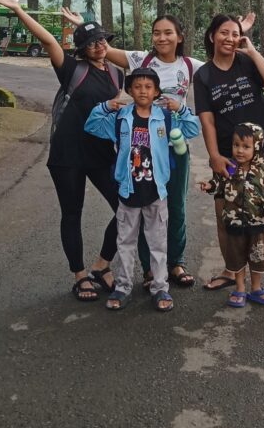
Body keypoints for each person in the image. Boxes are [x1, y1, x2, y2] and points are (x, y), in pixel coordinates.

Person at [60, 8, 254, 290]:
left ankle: (175, 262)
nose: (161, 38)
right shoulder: (141, 58)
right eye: (156, 33)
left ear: (179, 37)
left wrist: (239, 32)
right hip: (140, 146)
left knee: (175, 206)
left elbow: (227, 60)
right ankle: (150, 269)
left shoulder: (191, 65)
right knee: (141, 204)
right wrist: (85, 25)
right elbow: (104, 49)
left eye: (168, 33)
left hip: (174, 146)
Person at [0, 0, 123, 303]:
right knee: (72, 212)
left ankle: (102, 265)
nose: (99, 46)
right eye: (92, 43)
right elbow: (49, 41)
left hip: (103, 153)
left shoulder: (117, 72)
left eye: (101, 40)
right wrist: (19, 10)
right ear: (82, 49)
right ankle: (79, 276)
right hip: (69, 154)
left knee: (126, 208)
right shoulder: (71, 68)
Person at [193, 14, 264, 301]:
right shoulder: (204, 76)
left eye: (234, 33)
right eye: (223, 33)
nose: (229, 38)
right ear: (212, 36)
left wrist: (251, 50)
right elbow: (208, 121)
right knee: (227, 215)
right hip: (229, 155)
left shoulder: (248, 62)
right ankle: (232, 271)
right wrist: (213, 155)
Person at [85, 68, 200, 312]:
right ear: (129, 91)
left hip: (156, 191)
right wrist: (106, 107)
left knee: (158, 242)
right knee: (125, 241)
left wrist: (180, 109)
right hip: (128, 191)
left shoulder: (165, 118)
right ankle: (123, 286)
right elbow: (92, 126)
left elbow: (192, 129)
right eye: (137, 86)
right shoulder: (120, 118)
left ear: (156, 91)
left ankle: (160, 287)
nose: (143, 91)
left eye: (148, 87)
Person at [199, 123, 264, 308]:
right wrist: (209, 186)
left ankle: (256, 288)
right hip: (234, 222)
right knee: (237, 257)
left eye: (246, 147)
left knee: (257, 256)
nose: (240, 151)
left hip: (257, 223)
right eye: (236, 145)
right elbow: (219, 181)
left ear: (257, 147)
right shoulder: (230, 167)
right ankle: (239, 288)